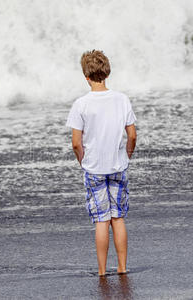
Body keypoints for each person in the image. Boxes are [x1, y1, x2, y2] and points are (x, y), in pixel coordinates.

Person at [65, 49, 137, 276]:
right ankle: (123, 266)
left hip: (94, 167)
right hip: (118, 165)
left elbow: (76, 142)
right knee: (118, 217)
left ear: (86, 76)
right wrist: (128, 153)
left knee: (101, 220)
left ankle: (102, 270)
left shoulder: (81, 104)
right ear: (108, 72)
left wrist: (82, 162)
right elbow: (132, 135)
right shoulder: (121, 99)